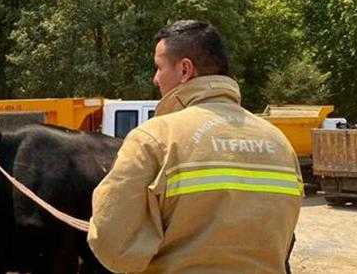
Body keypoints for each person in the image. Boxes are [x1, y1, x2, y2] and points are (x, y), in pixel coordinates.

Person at [88, 20, 303, 273]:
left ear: (185, 70)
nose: (155, 78)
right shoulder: (280, 143)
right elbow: (285, 239)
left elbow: (114, 246)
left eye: (159, 67)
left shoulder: (154, 138)